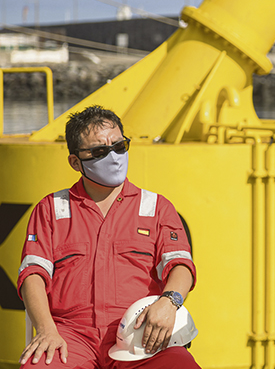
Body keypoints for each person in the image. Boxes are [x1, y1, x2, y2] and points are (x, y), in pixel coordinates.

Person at [17, 105, 200, 368]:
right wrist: (46, 330)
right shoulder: (51, 209)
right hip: (70, 336)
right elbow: (32, 274)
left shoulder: (157, 207)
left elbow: (181, 265)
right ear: (75, 162)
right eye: (99, 151)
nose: (113, 157)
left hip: (140, 335)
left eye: (119, 146)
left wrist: (169, 302)